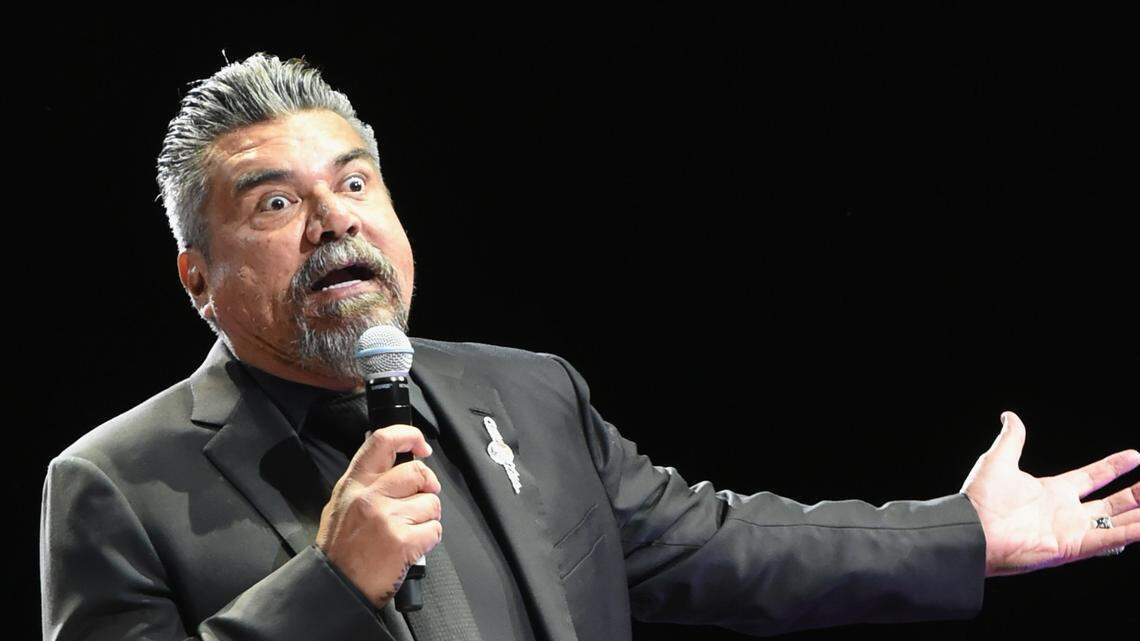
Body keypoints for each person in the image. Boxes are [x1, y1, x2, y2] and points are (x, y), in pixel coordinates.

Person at [39, 53, 1138, 641]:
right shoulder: (118, 484)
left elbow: (726, 545)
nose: (335, 221)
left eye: (355, 181)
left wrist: (967, 536)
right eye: (275, 201)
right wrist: (329, 587)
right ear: (198, 279)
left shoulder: (524, 393)